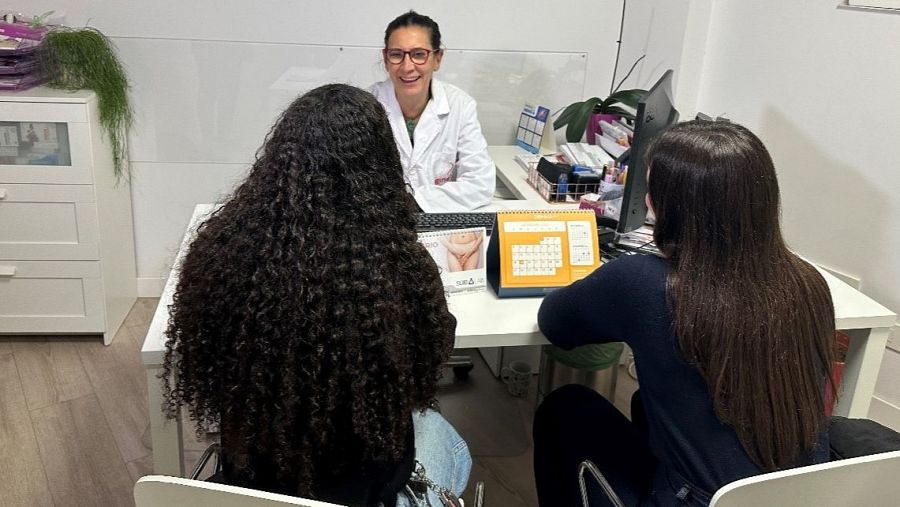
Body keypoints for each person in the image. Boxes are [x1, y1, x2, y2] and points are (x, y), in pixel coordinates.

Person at [162, 84, 471, 507]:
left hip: (250, 488)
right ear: (379, 164)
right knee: (446, 438)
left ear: (280, 156)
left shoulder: (220, 253)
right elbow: (428, 367)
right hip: (369, 494)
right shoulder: (398, 268)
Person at [532, 120, 837, 506]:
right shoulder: (809, 283)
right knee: (647, 404)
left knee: (568, 408)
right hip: (793, 497)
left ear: (668, 205)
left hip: (697, 500)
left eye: (650, 189)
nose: (646, 200)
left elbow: (556, 323)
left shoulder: (645, 283)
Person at [370, 10, 495, 213]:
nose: (407, 66)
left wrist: (413, 203)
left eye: (419, 54)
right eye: (397, 55)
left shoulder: (460, 105)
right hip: (380, 225)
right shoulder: (365, 106)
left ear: (437, 59)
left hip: (438, 221)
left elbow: (480, 184)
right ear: (386, 58)